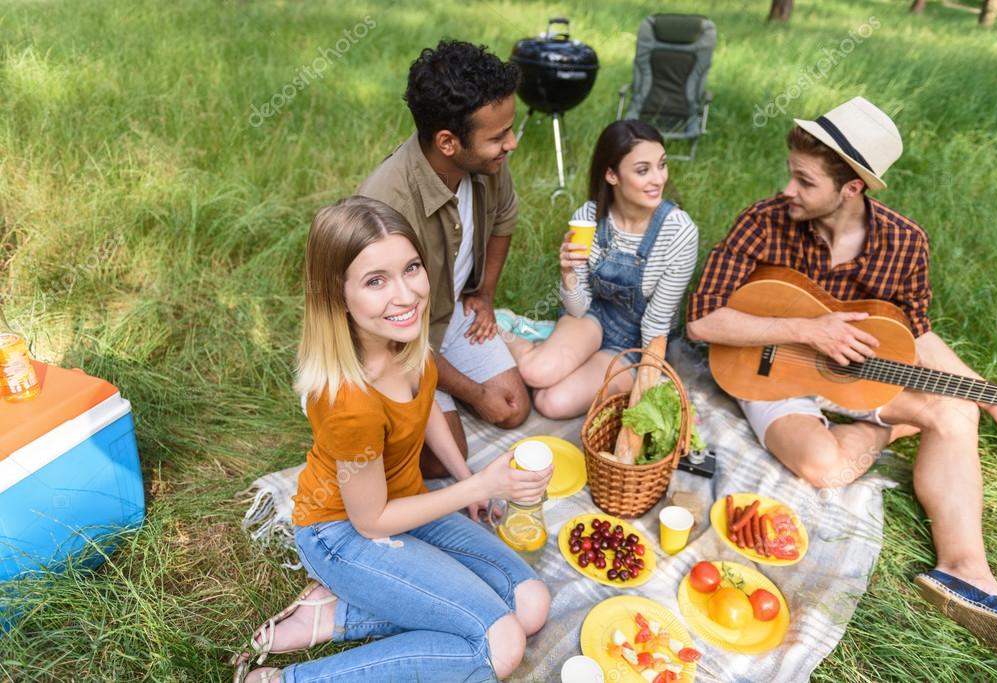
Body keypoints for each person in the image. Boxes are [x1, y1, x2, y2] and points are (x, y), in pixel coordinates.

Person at [686, 97, 997, 663]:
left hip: (859, 374)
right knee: (825, 466)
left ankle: (965, 575)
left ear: (851, 190)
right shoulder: (763, 220)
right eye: (790, 172)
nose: (787, 188)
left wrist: (994, 398)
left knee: (955, 410)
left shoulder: (904, 242)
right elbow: (702, 319)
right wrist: (810, 329)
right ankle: (890, 434)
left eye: (804, 180)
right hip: (772, 368)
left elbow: (917, 336)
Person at [233, 197, 552, 683]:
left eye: (411, 269)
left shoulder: (403, 340)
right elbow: (371, 520)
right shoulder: (350, 402)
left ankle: (337, 614)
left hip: (408, 505)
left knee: (531, 604)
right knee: (500, 644)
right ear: (337, 296)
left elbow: (422, 412)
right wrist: (480, 487)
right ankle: (290, 679)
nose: (405, 296)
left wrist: (466, 476)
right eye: (375, 281)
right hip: (342, 532)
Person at [358, 40, 530, 479]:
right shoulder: (385, 204)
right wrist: (473, 392)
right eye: (497, 137)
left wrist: (485, 295)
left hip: (446, 313)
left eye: (509, 129)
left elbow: (504, 220)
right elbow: (389, 336)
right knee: (438, 460)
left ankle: (444, 394)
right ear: (448, 142)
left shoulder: (488, 162)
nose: (510, 143)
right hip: (395, 337)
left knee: (513, 410)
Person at [503, 120, 699, 419]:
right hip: (591, 317)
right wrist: (568, 272)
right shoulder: (588, 219)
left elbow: (657, 323)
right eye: (643, 170)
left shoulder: (679, 233)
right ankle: (504, 332)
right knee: (534, 372)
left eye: (662, 165)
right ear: (611, 175)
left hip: (636, 342)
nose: (658, 179)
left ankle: (554, 350)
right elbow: (578, 308)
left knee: (551, 403)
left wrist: (647, 386)